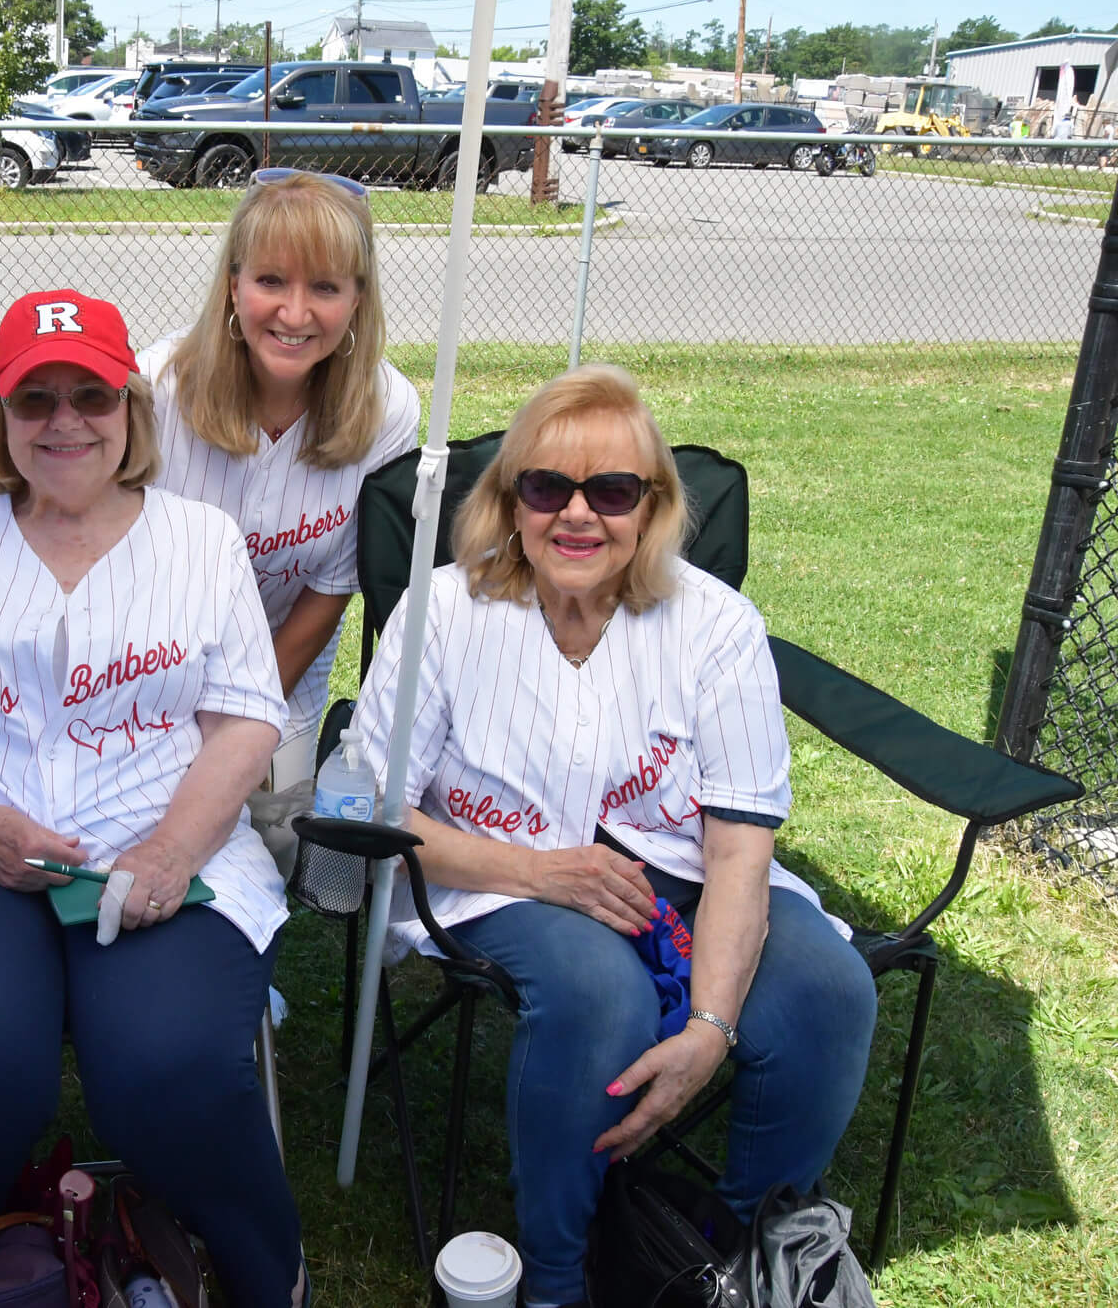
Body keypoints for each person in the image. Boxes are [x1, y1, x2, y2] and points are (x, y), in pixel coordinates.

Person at [348, 365, 878, 1308]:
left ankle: (737, 1257)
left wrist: (711, 1030)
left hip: (680, 874)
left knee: (828, 994)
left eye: (615, 490)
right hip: (495, 875)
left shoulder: (715, 627)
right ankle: (557, 1279)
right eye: (547, 488)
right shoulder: (446, 612)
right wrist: (539, 871)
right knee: (601, 997)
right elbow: (371, 807)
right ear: (510, 504)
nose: (578, 516)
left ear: (655, 506)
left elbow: (738, 850)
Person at [0, 290, 306, 1308]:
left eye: (89, 396)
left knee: (166, 1062)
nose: (61, 422)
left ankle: (261, 1270)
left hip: (159, 839)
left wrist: (173, 849)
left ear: (131, 411)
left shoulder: (199, 541)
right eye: (33, 399)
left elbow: (243, 721)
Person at [140, 168, 420, 787]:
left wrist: (241, 720)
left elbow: (330, 589)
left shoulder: (389, 408)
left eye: (324, 286)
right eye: (270, 280)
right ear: (233, 286)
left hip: (282, 669)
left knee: (274, 836)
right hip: (149, 666)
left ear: (357, 299)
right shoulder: (156, 387)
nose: (295, 313)